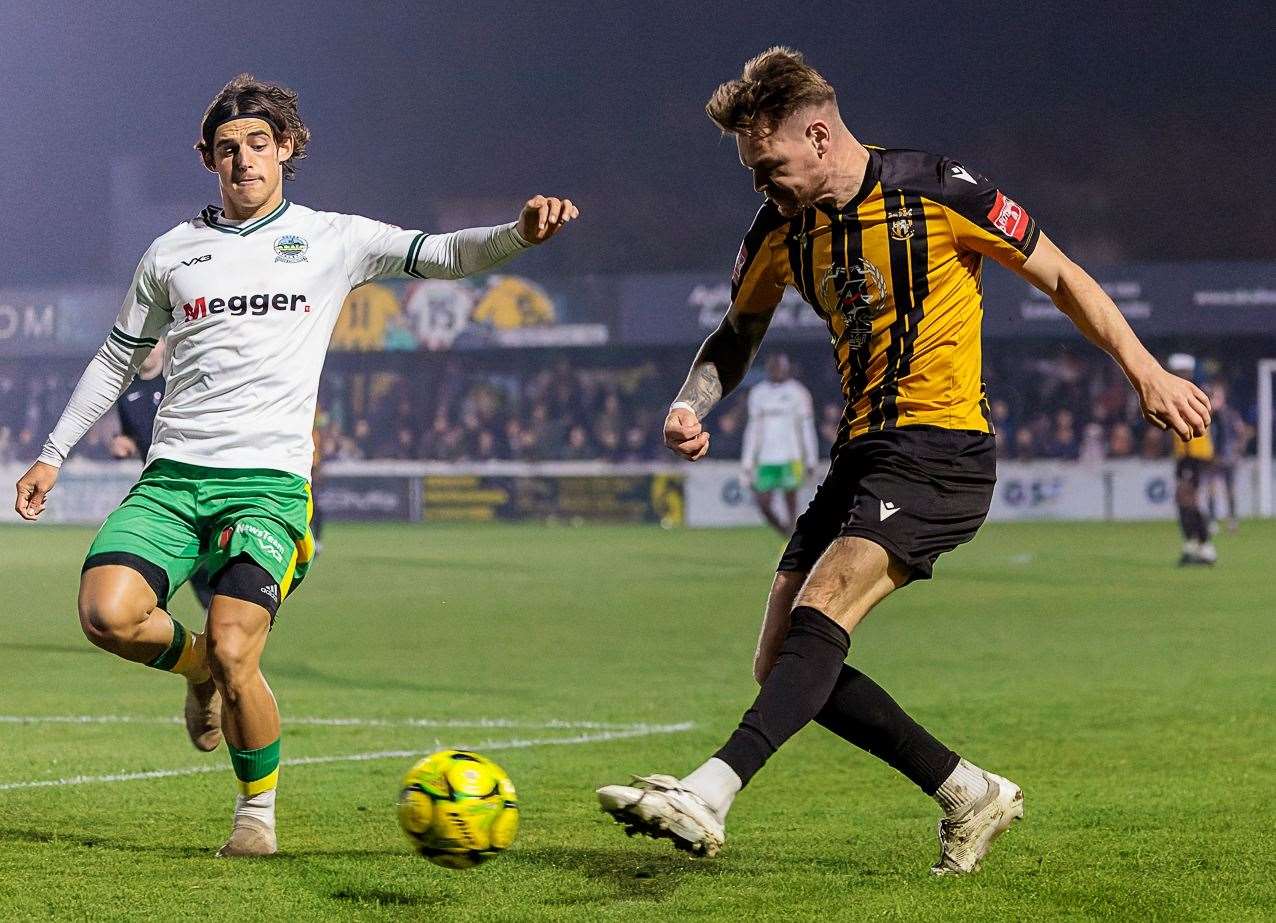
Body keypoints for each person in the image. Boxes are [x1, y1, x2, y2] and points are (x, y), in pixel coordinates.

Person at [597, 47, 1209, 876]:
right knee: (782, 662)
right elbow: (736, 334)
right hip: (862, 452)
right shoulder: (780, 228)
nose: (760, 187)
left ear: (819, 135)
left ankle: (710, 790)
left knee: (823, 610)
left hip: (941, 449)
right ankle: (966, 789)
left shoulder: (937, 189)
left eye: (768, 166)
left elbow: (1061, 274)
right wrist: (690, 402)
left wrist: (1147, 370)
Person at [13, 73, 577, 857]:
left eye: (255, 143)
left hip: (269, 486)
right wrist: (51, 454)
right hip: (173, 477)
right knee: (106, 614)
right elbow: (117, 359)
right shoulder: (172, 253)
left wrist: (518, 233)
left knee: (241, 648)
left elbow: (442, 255)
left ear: (284, 148)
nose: (241, 159)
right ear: (208, 160)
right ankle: (196, 670)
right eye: (225, 149)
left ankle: (255, 816)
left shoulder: (330, 237)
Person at [109, 339, 217, 609]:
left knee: (204, 558)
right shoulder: (127, 393)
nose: (149, 349)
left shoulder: (176, 384)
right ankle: (147, 619)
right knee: (154, 554)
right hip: (157, 482)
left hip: (192, 477)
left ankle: (218, 624)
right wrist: (122, 443)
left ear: (164, 347)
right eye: (145, 342)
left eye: (155, 342)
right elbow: (131, 436)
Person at [741, 352, 817, 535]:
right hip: (766, 457)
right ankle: (784, 531)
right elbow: (753, 430)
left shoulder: (798, 393)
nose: (776, 370)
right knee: (763, 502)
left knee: (790, 499)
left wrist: (811, 458)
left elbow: (806, 428)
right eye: (773, 366)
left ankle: (792, 533)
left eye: (780, 366)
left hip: (791, 456)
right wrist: (748, 461)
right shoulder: (758, 393)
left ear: (787, 368)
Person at [1167, 354, 1216, 564]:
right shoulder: (1184, 391)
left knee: (1189, 499)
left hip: (1194, 452)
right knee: (1183, 499)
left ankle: (1204, 547)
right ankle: (1193, 545)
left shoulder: (1191, 392)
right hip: (1185, 453)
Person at [1205, 380, 1250, 532]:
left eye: (1218, 396)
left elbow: (1242, 432)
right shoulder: (1207, 415)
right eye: (1213, 396)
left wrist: (1238, 450)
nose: (1215, 400)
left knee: (1230, 489)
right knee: (1211, 488)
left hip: (1227, 457)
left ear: (1223, 397)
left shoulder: (1231, 414)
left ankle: (1232, 519)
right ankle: (1212, 520)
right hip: (1211, 457)